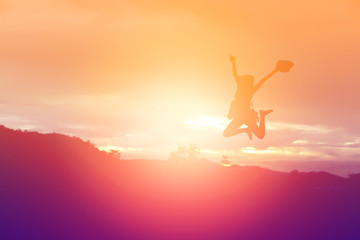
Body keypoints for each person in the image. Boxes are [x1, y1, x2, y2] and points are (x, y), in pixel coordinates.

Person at [223, 56, 293, 140]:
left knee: (258, 135)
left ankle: (261, 116)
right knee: (227, 133)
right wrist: (233, 62)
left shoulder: (247, 88)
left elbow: (262, 80)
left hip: (244, 114)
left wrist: (233, 62)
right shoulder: (248, 88)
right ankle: (250, 126)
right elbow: (236, 75)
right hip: (241, 114)